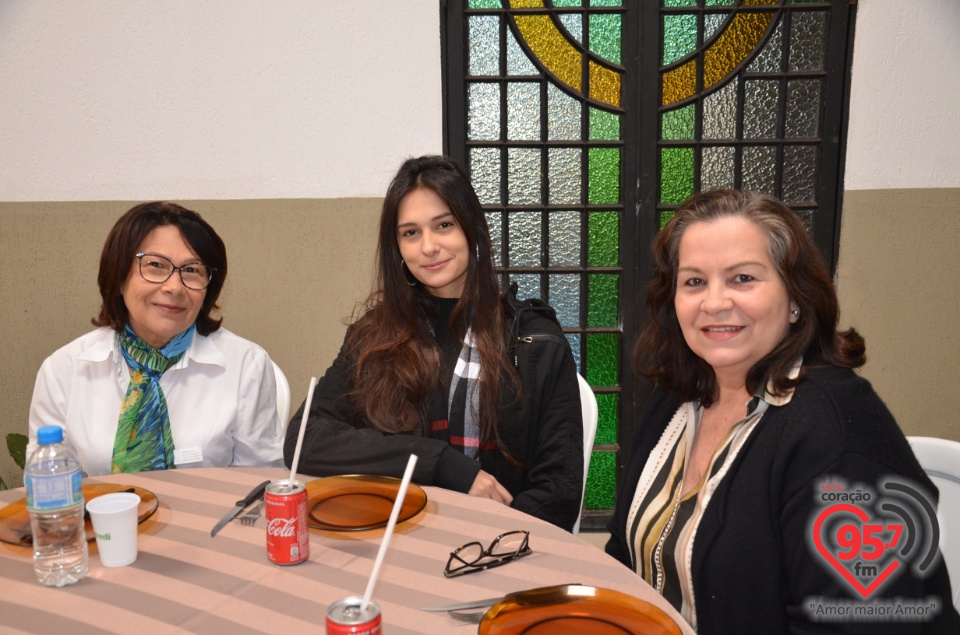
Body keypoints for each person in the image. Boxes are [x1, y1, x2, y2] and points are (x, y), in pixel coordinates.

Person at [605, 190, 958, 632]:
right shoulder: (678, 397)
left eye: (743, 279)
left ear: (795, 299)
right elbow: (623, 553)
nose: (714, 302)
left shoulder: (838, 431)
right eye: (694, 281)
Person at [285, 155, 583, 530]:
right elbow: (305, 439)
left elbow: (559, 492)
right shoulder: (374, 336)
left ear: (472, 230)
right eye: (410, 232)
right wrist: (441, 464)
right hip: (392, 538)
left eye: (444, 225)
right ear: (397, 248)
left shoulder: (535, 342)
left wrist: (489, 545)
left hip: (501, 546)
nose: (428, 247)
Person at [28, 202, 283, 476]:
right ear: (119, 276)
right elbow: (50, 486)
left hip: (210, 518)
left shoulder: (245, 364)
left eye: (192, 270)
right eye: (155, 265)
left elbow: (259, 483)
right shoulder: (64, 369)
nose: (174, 287)